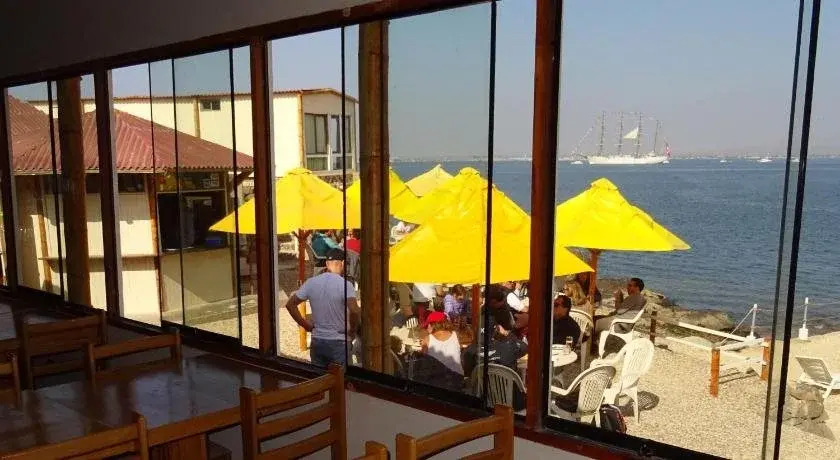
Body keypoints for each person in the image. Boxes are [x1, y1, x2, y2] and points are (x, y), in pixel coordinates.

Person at [285, 248, 360, 367]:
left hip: (317, 341)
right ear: (343, 263)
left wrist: (305, 325)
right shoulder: (346, 285)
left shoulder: (311, 282)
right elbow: (354, 310)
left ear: (326, 263)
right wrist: (352, 332)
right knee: (341, 377)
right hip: (339, 342)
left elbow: (290, 305)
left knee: (319, 376)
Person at [421, 312, 463, 376]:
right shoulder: (456, 334)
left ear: (431, 325)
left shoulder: (427, 339)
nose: (427, 327)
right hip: (458, 377)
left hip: (438, 378)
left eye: (428, 325)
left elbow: (423, 361)